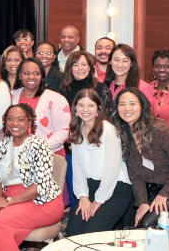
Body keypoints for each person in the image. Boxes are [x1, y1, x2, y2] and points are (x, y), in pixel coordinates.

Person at [112, 88, 169, 226]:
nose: (127, 108)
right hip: (156, 187)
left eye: (132, 103)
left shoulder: (158, 129)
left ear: (142, 106)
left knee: (149, 224)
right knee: (134, 224)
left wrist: (165, 194)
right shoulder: (123, 135)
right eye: (122, 104)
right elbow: (134, 174)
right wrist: (143, 202)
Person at [0, 104, 63, 251]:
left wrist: (8, 201)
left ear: (29, 122)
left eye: (20, 119)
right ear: (5, 123)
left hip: (41, 201)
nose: (15, 123)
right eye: (11, 119)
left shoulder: (39, 145)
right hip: (11, 199)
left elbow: (40, 187)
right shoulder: (3, 144)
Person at [65, 89, 132, 236]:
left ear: (98, 109)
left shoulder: (108, 130)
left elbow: (112, 170)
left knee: (90, 235)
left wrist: (99, 200)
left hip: (116, 189)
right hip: (90, 188)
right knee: (72, 234)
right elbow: (77, 167)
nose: (85, 110)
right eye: (81, 105)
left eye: (90, 105)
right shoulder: (76, 131)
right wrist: (83, 196)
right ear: (75, 108)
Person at [10, 58, 71, 156]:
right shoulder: (11, 96)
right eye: (26, 73)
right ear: (20, 76)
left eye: (36, 73)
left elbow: (64, 131)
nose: (31, 77)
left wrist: (39, 148)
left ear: (42, 76)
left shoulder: (56, 98)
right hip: (17, 155)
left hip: (50, 155)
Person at [59, 51, 115, 117]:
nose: (80, 68)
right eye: (75, 65)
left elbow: (105, 116)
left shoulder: (101, 88)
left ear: (89, 67)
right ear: (70, 69)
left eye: (84, 64)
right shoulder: (63, 89)